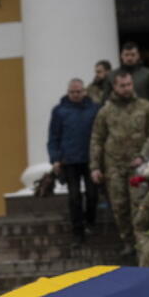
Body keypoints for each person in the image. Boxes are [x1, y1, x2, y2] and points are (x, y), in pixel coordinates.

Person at [90, 68, 149, 256]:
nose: (126, 88)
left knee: (140, 205)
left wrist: (144, 155)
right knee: (119, 206)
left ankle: (143, 242)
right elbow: (97, 138)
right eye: (122, 86)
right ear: (115, 86)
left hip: (139, 164)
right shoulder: (106, 111)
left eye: (129, 84)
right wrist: (95, 166)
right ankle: (128, 241)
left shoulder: (145, 107)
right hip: (114, 165)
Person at [48, 79, 101, 245]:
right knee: (74, 197)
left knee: (93, 195)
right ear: (68, 92)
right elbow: (53, 136)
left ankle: (90, 221)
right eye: (73, 92)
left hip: (90, 159)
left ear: (84, 91)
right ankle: (77, 231)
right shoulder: (59, 111)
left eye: (79, 91)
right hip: (69, 160)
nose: (76, 95)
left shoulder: (94, 109)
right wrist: (55, 158)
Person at [120, 41, 149, 111]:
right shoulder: (113, 75)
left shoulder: (147, 74)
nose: (129, 58)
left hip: (142, 117)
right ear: (121, 55)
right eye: (126, 55)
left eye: (132, 55)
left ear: (138, 55)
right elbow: (105, 102)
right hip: (119, 118)